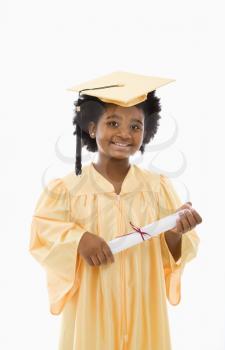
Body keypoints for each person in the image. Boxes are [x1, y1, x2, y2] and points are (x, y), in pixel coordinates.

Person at [29, 71, 202, 350]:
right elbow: (42, 234)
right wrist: (79, 239)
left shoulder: (157, 188)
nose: (125, 133)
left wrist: (176, 233)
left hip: (144, 307)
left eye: (136, 126)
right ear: (92, 127)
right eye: (113, 123)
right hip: (91, 308)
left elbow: (173, 252)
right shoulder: (66, 190)